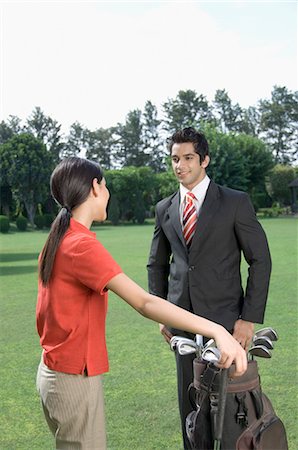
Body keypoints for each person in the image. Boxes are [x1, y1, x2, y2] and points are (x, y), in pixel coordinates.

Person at [36, 156, 246, 450]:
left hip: (58, 375)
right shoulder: (80, 245)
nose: (108, 193)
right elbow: (145, 303)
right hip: (72, 380)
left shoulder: (61, 238)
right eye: (106, 186)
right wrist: (218, 331)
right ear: (95, 187)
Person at [147, 127, 272, 450]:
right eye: (175, 158)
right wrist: (161, 314)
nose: (180, 165)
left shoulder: (234, 202)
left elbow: (260, 260)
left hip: (227, 323)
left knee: (231, 410)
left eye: (188, 157)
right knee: (190, 408)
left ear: (205, 160)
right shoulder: (165, 208)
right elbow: (157, 265)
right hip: (182, 327)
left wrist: (248, 318)